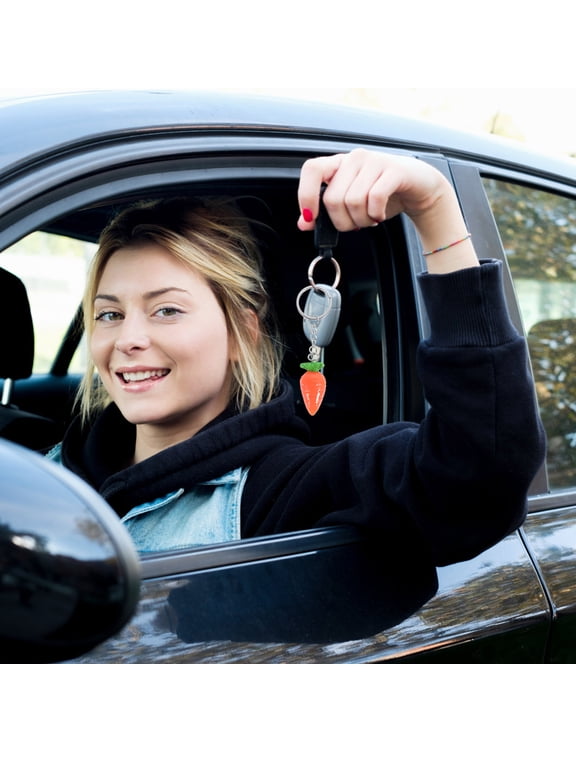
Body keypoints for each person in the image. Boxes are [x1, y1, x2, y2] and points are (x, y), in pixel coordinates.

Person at [48, 149, 545, 571]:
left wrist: (434, 208)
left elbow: (479, 477)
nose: (129, 338)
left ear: (243, 331)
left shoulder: (281, 491)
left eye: (167, 310)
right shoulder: (52, 464)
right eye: (109, 314)